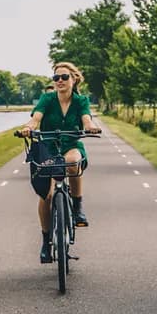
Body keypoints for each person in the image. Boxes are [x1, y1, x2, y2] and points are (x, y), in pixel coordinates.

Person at [19, 62, 101, 263]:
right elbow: (36, 118)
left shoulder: (81, 100)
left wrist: (90, 126)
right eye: (56, 78)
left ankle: (77, 206)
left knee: (73, 162)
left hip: (70, 144)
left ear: (74, 79)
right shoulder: (47, 99)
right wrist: (29, 127)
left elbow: (86, 119)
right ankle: (46, 241)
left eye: (64, 77)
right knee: (46, 195)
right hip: (47, 147)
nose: (60, 81)